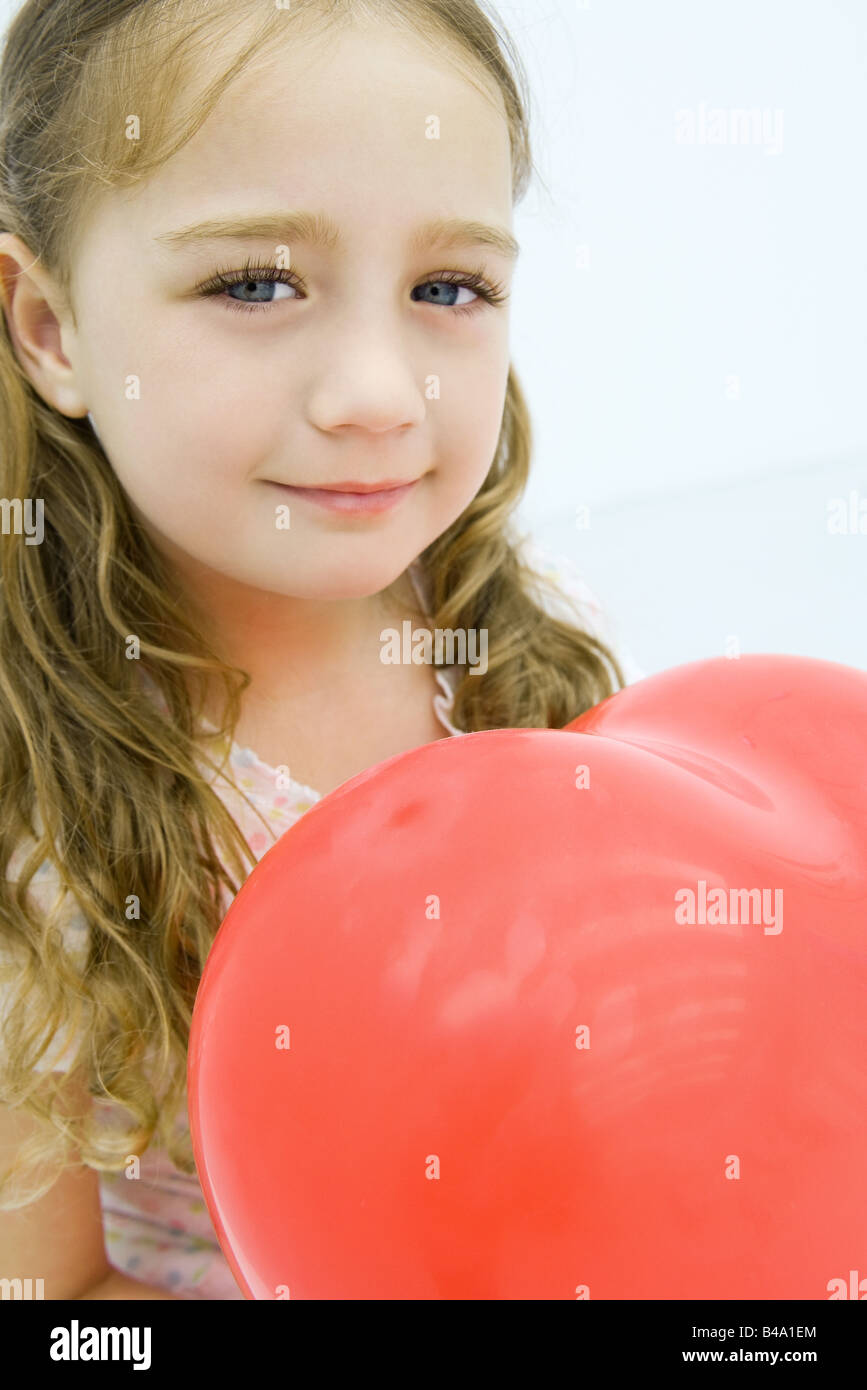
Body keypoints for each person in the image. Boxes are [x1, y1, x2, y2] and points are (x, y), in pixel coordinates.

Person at [0, 0, 644, 1300]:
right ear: (52, 327)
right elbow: (51, 1310)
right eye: (254, 283)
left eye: (448, 288)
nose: (375, 391)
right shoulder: (43, 839)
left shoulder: (508, 646)